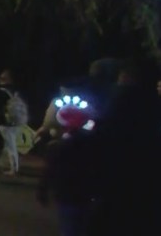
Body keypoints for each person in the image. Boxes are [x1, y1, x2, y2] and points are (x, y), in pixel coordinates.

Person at [93, 63, 161, 236]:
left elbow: (102, 139)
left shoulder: (118, 101)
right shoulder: (158, 105)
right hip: (148, 186)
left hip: (117, 180)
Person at [37, 99, 98, 236]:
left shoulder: (57, 147)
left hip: (66, 194)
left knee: (69, 227)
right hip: (86, 193)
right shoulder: (93, 145)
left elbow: (49, 170)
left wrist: (43, 190)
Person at [0, 69, 28, 176]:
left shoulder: (2, 92)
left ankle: (14, 168)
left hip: (8, 121)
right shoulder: (16, 91)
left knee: (10, 145)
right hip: (18, 120)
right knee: (9, 144)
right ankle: (5, 165)